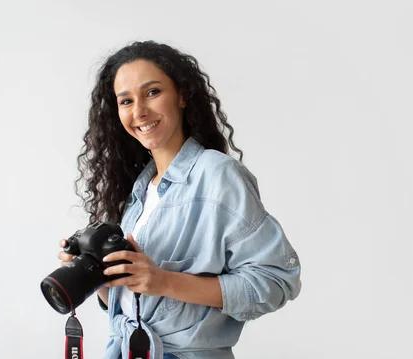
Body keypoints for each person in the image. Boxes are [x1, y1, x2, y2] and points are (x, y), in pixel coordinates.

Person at [57, 40, 301, 359]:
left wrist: (164, 281)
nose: (139, 111)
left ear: (182, 95)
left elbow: (276, 280)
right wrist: (98, 279)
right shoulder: (140, 191)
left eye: (153, 92)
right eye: (126, 100)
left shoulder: (217, 174)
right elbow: (139, 303)